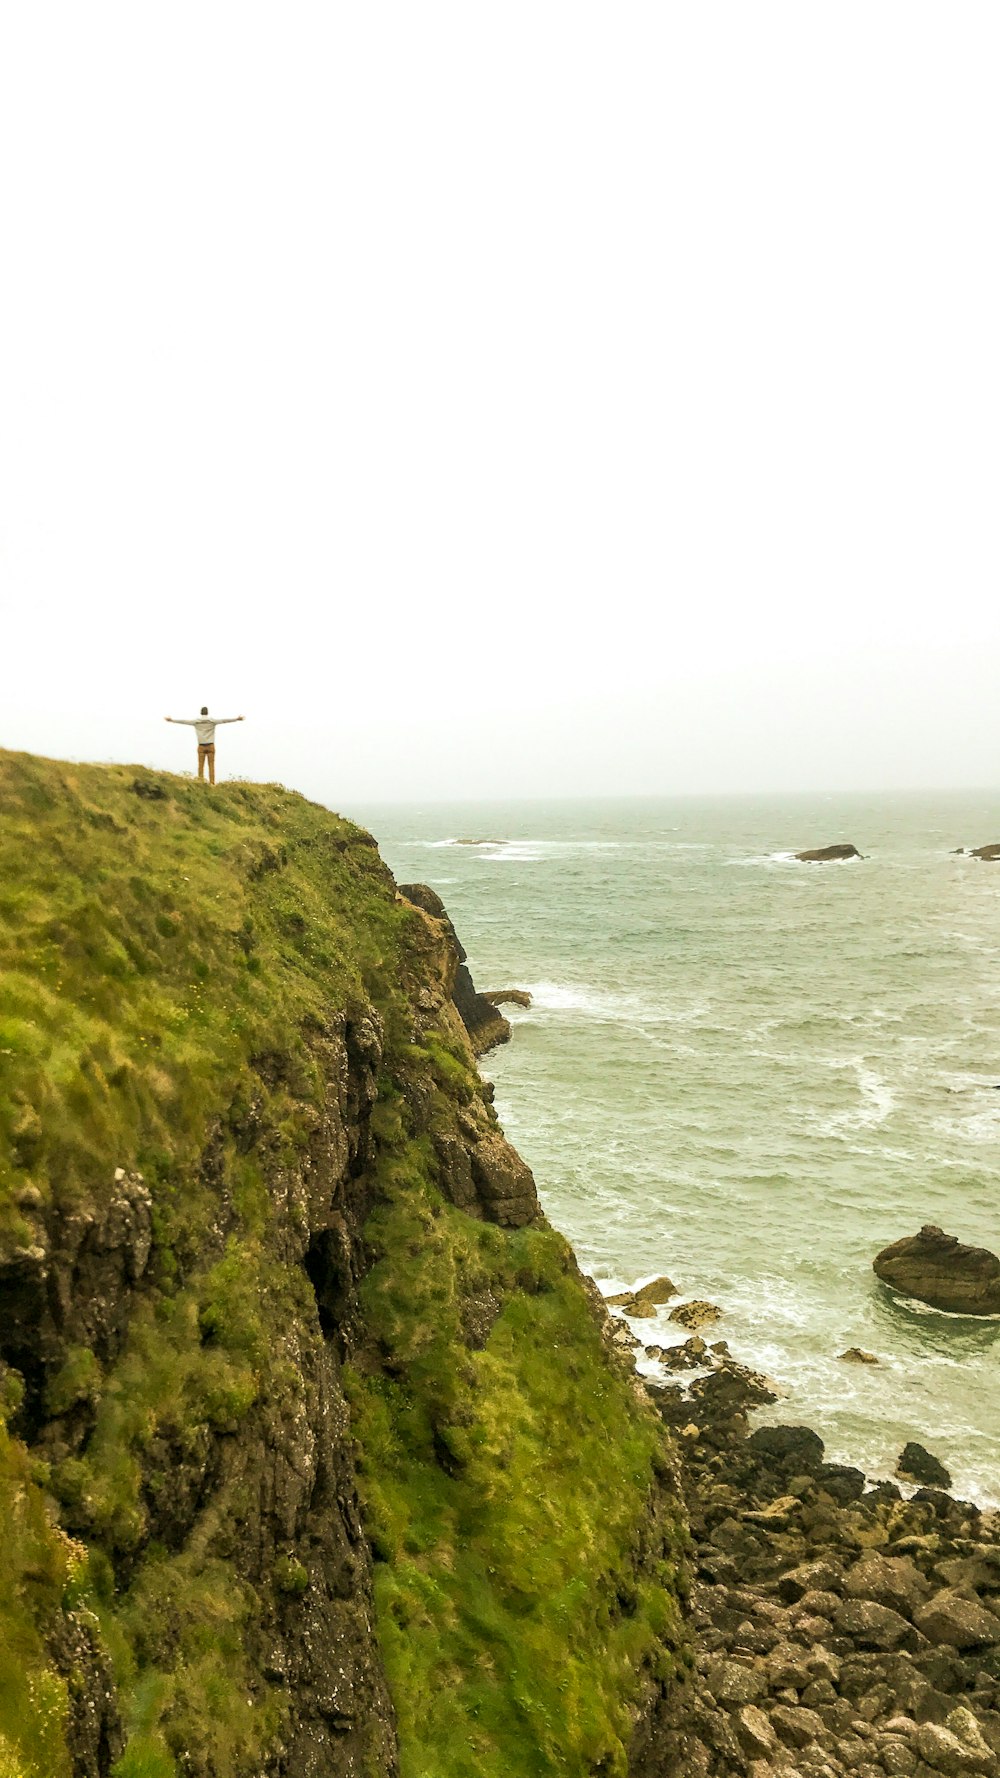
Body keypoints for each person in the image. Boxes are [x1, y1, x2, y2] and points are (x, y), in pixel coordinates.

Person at [165, 707, 245, 784]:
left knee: (200, 765)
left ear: (201, 713)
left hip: (201, 745)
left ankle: (200, 782)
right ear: (207, 712)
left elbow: (184, 721)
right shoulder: (212, 721)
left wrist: (171, 720)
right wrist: (237, 719)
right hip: (210, 745)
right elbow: (224, 720)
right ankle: (212, 783)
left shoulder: (196, 722)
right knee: (211, 765)